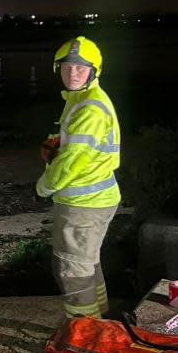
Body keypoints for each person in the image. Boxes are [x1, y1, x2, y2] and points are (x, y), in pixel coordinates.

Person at [36, 36, 121, 319]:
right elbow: (79, 147)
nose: (72, 73)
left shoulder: (89, 108)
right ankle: (101, 323)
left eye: (81, 68)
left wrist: (44, 186)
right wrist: (59, 141)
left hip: (84, 203)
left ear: (93, 71)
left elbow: (72, 163)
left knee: (73, 269)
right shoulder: (84, 99)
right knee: (88, 264)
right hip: (95, 200)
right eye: (67, 66)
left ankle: (85, 335)